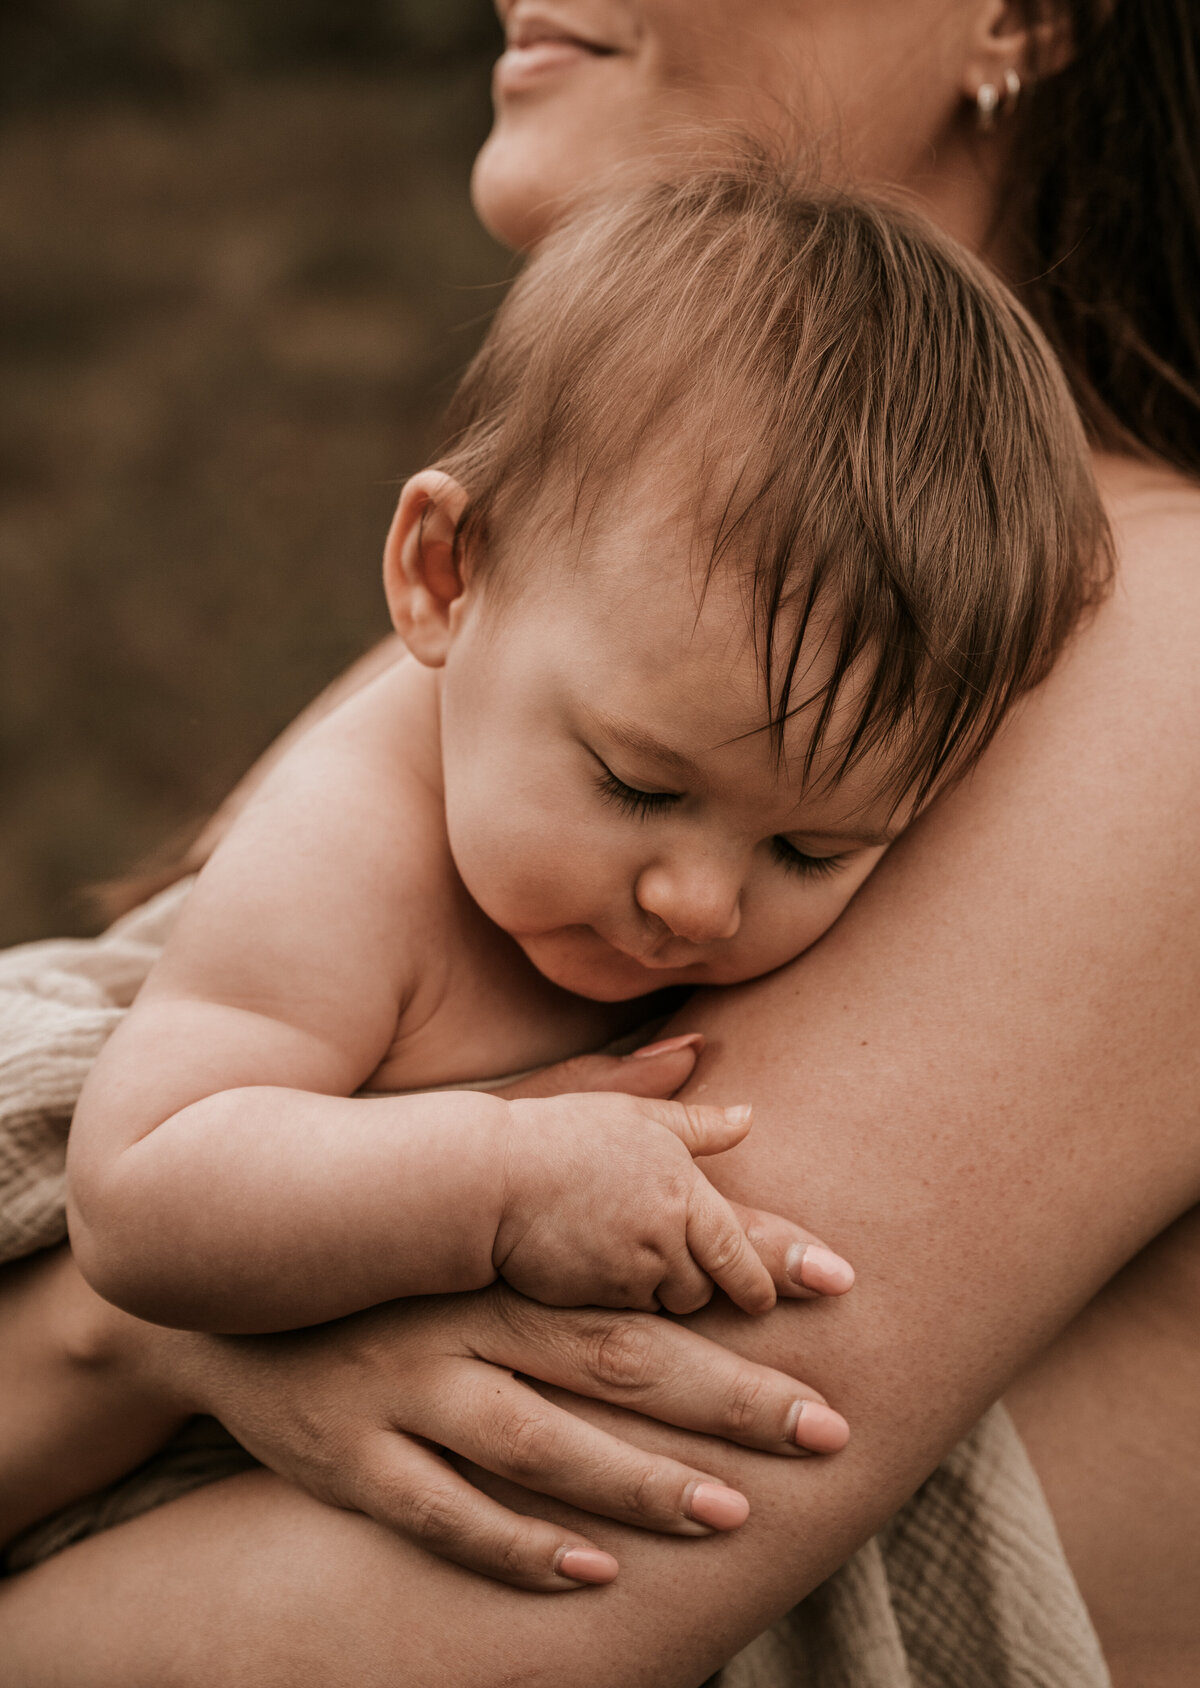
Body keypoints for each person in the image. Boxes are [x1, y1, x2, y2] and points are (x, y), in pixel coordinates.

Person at [0, 3, 1197, 1684]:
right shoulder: (542, 642)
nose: (695, 898)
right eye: (639, 788)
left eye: (814, 850)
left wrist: (133, 1335)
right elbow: (147, 1191)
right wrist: (168, 1339)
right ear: (443, 575)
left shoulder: (1149, 651)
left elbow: (471, 1627)